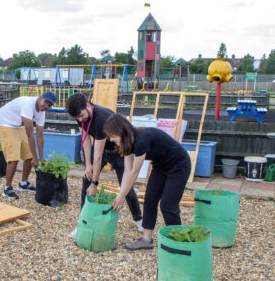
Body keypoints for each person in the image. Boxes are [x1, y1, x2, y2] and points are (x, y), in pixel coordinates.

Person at [103, 114, 190, 251]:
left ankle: (179, 244)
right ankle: (146, 240)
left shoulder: (142, 139)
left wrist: (121, 196)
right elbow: (127, 171)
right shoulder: (127, 143)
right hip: (161, 166)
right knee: (150, 200)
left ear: (120, 131)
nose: (111, 140)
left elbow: (134, 173)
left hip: (179, 165)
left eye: (112, 136)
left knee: (168, 205)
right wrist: (121, 194)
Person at [65, 93, 143, 231]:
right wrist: (88, 165)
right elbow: (86, 140)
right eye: (77, 118)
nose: (80, 119)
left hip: (117, 149)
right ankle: (83, 222)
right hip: (100, 149)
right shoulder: (80, 116)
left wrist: (95, 183)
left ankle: (138, 219)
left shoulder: (101, 118)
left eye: (82, 115)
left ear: (88, 105)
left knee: (126, 185)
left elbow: (99, 154)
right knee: (86, 179)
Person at [0, 92, 56, 199]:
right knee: (14, 157)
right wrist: (36, 158)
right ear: (40, 98)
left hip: (17, 125)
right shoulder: (28, 104)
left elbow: (40, 136)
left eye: (49, 105)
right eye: (46, 103)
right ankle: (7, 188)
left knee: (29, 155)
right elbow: (30, 134)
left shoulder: (42, 111)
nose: (46, 106)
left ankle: (23, 184)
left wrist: (40, 159)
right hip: (5, 122)